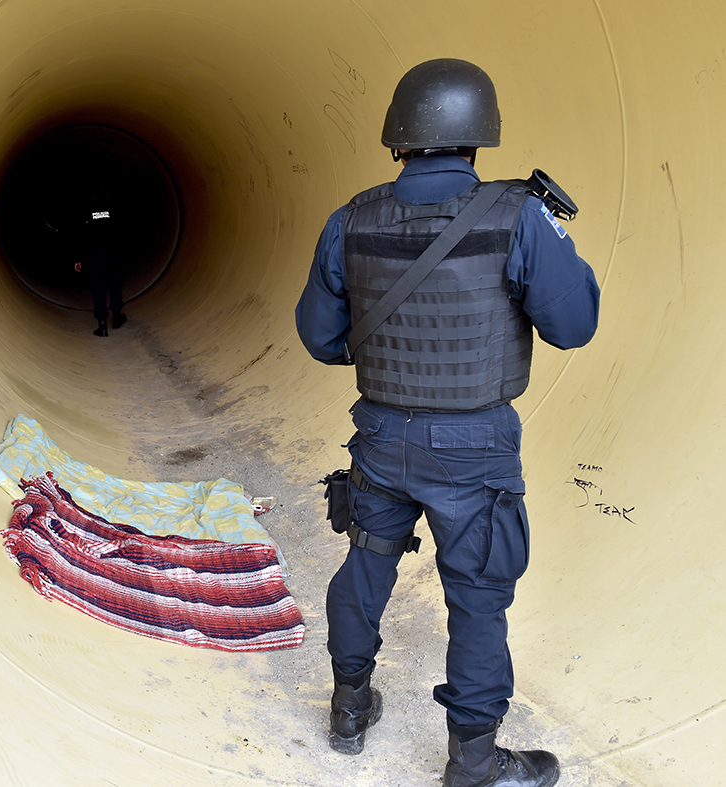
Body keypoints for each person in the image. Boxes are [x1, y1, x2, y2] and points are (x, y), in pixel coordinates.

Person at [295, 58, 599, 787]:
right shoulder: (520, 216)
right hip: (476, 449)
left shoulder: (351, 218)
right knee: (477, 597)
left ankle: (347, 706)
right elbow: (575, 325)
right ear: (479, 137)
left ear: (398, 137)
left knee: (366, 561)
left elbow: (319, 334)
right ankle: (473, 764)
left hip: (382, 437)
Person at [73, 186, 127, 337]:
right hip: (114, 257)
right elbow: (124, 232)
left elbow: (81, 236)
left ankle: (102, 326)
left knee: (99, 291)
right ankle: (116, 318)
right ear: (108, 196)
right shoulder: (116, 210)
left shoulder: (86, 212)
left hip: (94, 258)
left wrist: (78, 258)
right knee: (116, 287)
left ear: (93, 197)